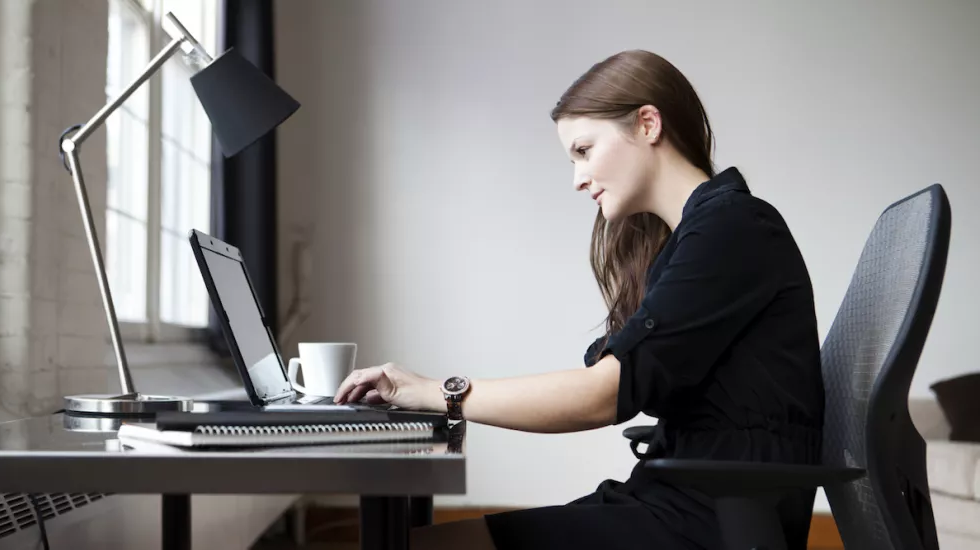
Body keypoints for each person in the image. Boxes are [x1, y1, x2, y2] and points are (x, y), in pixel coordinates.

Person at [334, 49, 825, 550]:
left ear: (648, 124)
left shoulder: (732, 229)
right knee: (415, 542)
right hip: (678, 504)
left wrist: (442, 392)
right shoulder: (694, 241)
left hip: (705, 524)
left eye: (584, 150)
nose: (578, 178)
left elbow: (600, 395)